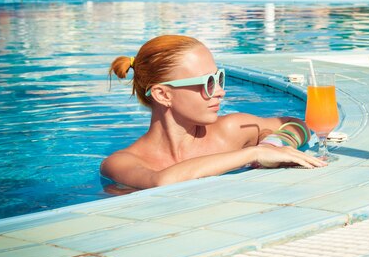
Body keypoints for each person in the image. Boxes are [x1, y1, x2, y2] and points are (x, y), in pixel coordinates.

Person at [102, 35, 326, 189]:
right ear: (163, 95)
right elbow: (162, 182)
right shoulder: (121, 163)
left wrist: (273, 145)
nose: (220, 91)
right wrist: (253, 153)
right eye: (208, 82)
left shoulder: (229, 131)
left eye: (218, 78)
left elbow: (299, 124)